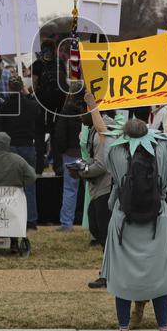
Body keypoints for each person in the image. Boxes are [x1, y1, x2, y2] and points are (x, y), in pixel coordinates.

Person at [101, 87, 167, 331]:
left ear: (124, 135)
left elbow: (102, 131)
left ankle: (123, 328)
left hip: (123, 222)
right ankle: (162, 327)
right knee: (159, 275)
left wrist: (93, 105)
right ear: (147, 133)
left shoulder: (115, 152)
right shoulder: (162, 148)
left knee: (122, 279)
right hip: (157, 220)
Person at [72, 92, 112, 289]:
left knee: (104, 234)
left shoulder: (103, 131)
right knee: (98, 230)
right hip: (99, 189)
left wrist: (82, 171)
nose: (79, 117)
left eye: (82, 112)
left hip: (105, 189)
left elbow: (102, 165)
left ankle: (108, 274)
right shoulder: (96, 130)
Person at [0, 75, 40, 229]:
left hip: (10, 148)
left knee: (10, 185)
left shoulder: (3, 107)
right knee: (30, 185)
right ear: (22, 88)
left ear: (8, 88)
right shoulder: (32, 106)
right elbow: (39, 118)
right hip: (28, 146)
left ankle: (12, 218)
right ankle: (31, 220)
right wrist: (28, 94)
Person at [32, 39, 68, 174]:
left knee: (39, 135)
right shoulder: (60, 62)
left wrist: (33, 95)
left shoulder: (37, 64)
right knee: (56, 135)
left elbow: (35, 83)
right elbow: (65, 83)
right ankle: (58, 166)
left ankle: (39, 166)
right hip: (58, 103)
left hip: (41, 104)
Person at [53, 89, 87, 231]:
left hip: (70, 153)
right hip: (87, 154)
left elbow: (60, 134)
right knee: (91, 190)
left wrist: (61, 150)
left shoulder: (66, 111)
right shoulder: (90, 109)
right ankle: (91, 223)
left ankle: (67, 223)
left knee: (70, 190)